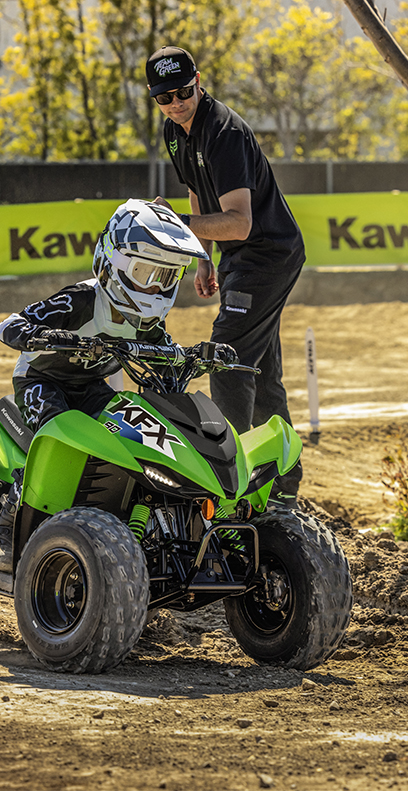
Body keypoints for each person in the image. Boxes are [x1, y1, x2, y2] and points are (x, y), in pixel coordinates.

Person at [0, 198, 222, 570]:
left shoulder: (148, 323)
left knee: (126, 438)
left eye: (166, 277)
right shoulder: (81, 299)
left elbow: (164, 353)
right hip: (42, 381)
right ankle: (3, 532)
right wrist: (48, 337)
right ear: (114, 263)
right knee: (53, 438)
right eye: (146, 274)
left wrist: (190, 358)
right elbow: (10, 325)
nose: (156, 288)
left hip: (92, 385)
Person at [145, 45, 304, 509]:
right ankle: (283, 483)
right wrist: (203, 258)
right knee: (261, 375)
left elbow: (238, 221)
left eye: (183, 91)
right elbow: (199, 192)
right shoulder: (176, 132)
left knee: (227, 360)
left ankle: (227, 486)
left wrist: (171, 223)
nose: (175, 103)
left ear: (199, 80)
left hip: (268, 256)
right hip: (239, 261)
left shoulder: (226, 132)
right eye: (163, 97)